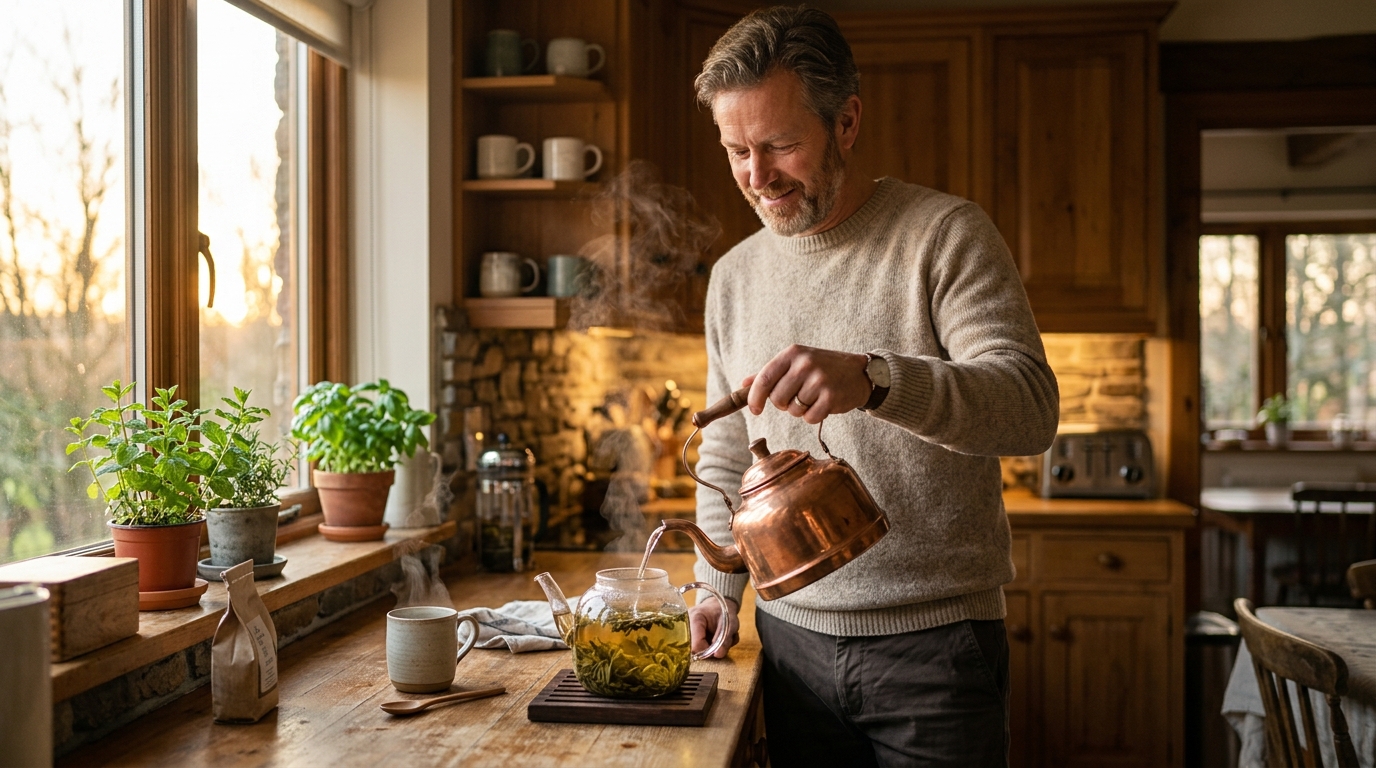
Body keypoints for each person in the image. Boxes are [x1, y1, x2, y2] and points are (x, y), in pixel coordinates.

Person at [682, 6, 1060, 767]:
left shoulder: (944, 236)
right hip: (786, 648)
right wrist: (717, 589)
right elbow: (725, 454)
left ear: (846, 122)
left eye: (781, 145)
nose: (757, 177)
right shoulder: (732, 277)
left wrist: (877, 381)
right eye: (736, 150)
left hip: (937, 653)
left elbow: (1028, 409)